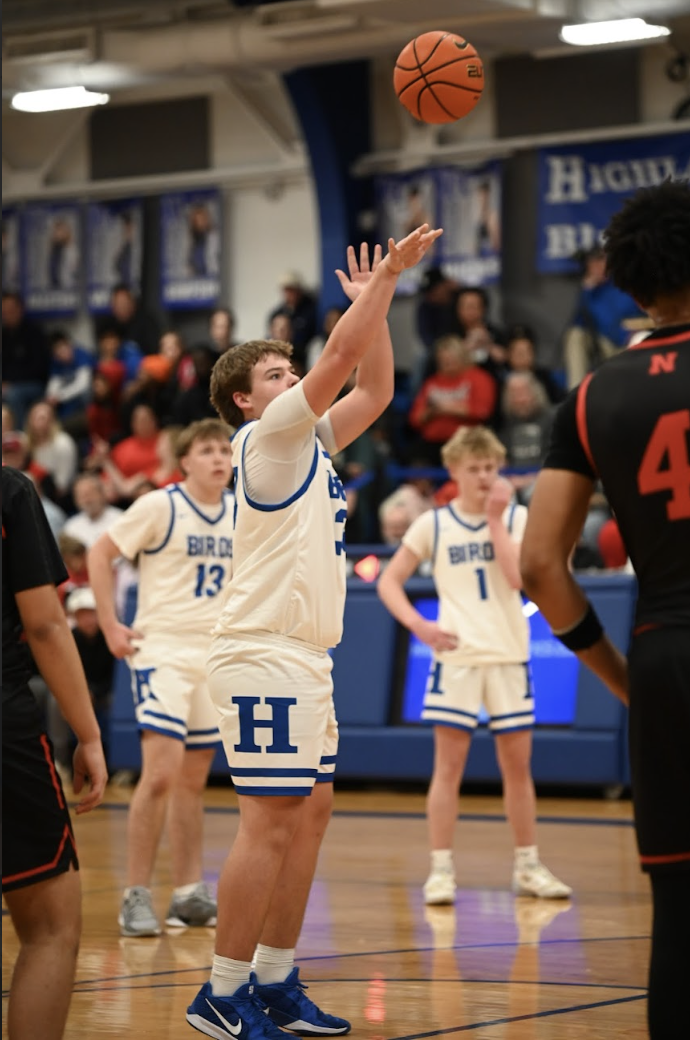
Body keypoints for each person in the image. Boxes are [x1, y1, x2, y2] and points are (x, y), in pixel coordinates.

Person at [186, 224, 441, 1040]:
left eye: (290, 371)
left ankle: (274, 977)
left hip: (305, 654)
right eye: (276, 374)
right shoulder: (265, 440)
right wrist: (379, 282)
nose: (293, 379)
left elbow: (374, 391)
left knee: (314, 809)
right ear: (245, 401)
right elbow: (338, 365)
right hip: (261, 649)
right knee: (269, 818)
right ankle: (220, 995)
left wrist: (386, 294)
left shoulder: (313, 444)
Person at [519, 179, 690, 1040]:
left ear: (627, 282)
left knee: (680, 914)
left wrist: (624, 678)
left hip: (664, 658)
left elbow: (539, 565)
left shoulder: (589, 398)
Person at [377, 425, 572, 907]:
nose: (485, 476)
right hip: (458, 658)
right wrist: (419, 627)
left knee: (518, 768)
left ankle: (528, 864)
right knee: (448, 768)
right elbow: (388, 582)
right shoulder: (433, 524)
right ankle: (441, 869)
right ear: (455, 471)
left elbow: (516, 579)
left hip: (508, 656)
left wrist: (496, 521)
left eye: (492, 467)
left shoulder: (518, 517)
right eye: (475, 468)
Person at [88, 418, 234, 937]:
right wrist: (109, 624)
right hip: (163, 649)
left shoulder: (242, 513)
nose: (219, 458)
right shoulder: (159, 506)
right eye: (207, 450)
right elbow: (99, 553)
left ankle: (190, 892)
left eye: (225, 449)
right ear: (184, 461)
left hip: (214, 653)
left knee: (193, 781)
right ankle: (136, 895)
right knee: (162, 774)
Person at [2, 465, 108, 1040]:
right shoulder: (9, 491)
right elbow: (44, 626)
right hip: (4, 732)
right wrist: (88, 735)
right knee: (50, 929)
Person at [562, 244, 642, 389]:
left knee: (640, 339)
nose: (597, 266)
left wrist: (633, 333)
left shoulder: (624, 285)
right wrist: (587, 291)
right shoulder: (589, 292)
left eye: (601, 261)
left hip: (629, 344)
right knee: (575, 336)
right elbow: (579, 325)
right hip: (603, 345)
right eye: (593, 262)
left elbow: (645, 315)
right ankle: (576, 393)